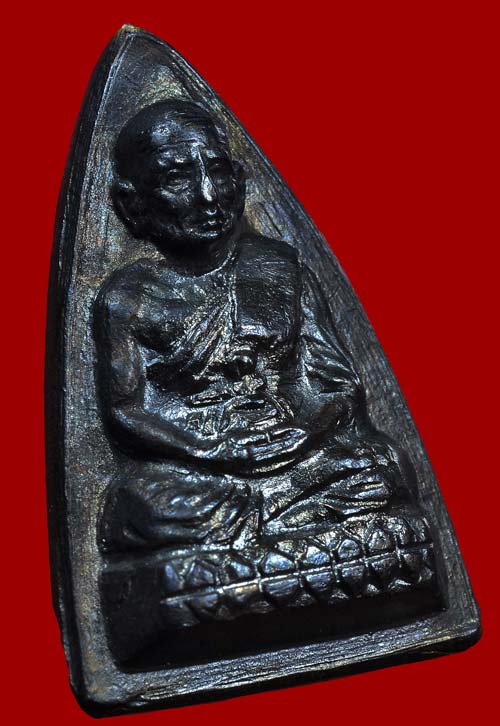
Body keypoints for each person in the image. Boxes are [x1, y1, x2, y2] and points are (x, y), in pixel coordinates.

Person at [94, 99, 416, 553]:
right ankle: (284, 522)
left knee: (383, 466)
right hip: (201, 466)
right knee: (143, 506)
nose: (208, 195)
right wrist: (210, 449)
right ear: (132, 205)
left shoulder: (278, 268)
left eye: (218, 171)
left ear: (240, 180)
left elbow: (337, 384)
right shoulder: (129, 297)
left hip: (292, 451)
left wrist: (302, 433)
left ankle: (265, 521)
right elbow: (127, 411)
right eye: (178, 178)